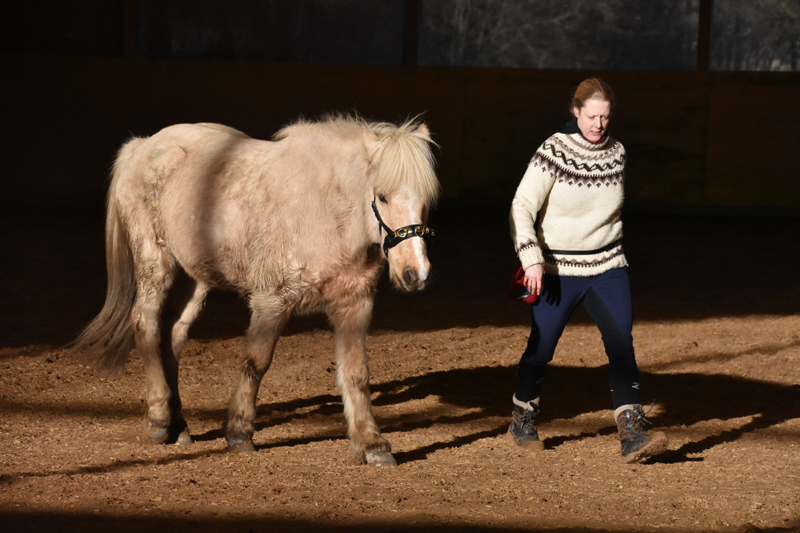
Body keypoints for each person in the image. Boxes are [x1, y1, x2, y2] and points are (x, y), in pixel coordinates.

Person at [508, 78, 668, 463]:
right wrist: (530, 256)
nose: (598, 124)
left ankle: (632, 431)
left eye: (605, 116)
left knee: (621, 344)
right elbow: (521, 206)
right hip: (558, 270)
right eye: (592, 115)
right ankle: (522, 418)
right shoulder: (553, 152)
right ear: (575, 111)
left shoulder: (618, 153)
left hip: (608, 267)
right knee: (541, 350)